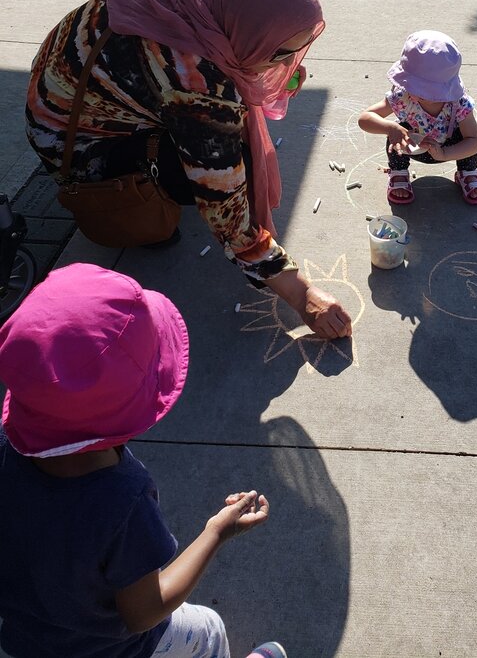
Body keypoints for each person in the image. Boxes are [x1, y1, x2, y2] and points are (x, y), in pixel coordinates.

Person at [25, 0, 351, 340]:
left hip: (63, 99)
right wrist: (301, 294)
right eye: (278, 54)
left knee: (232, 126)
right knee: (228, 159)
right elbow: (225, 207)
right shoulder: (195, 82)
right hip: (76, 146)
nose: (283, 66)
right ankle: (143, 212)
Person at [0, 262, 286, 658]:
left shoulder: (6, 448)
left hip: (25, 641)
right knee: (208, 629)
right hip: (112, 649)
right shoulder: (121, 499)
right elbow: (143, 613)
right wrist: (216, 532)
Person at [358, 30, 477, 205]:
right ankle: (399, 173)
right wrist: (390, 128)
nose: (410, 90)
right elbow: (365, 118)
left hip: (448, 147)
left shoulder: (458, 103)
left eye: (416, 87)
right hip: (412, 147)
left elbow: (474, 141)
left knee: (468, 142)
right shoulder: (404, 97)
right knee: (396, 134)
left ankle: (467, 172)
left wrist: (444, 154)